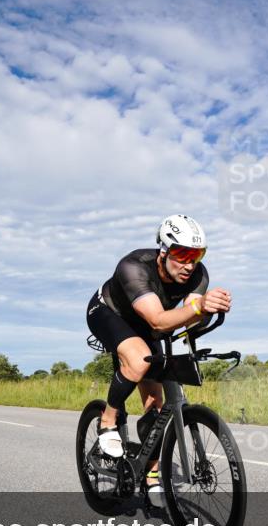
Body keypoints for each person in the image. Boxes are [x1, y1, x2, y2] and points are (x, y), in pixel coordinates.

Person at [86, 215, 232, 504]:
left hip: (149, 324)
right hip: (109, 313)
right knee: (139, 360)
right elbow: (158, 320)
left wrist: (207, 312)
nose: (189, 264)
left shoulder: (199, 275)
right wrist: (200, 306)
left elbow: (188, 320)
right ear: (164, 252)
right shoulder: (133, 267)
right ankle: (108, 420)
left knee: (156, 405)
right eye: (182, 254)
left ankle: (151, 473)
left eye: (197, 255)